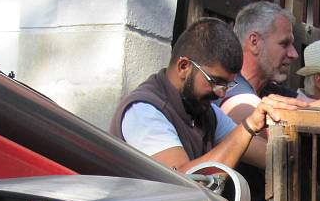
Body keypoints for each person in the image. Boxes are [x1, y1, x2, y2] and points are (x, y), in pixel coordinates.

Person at [109, 17, 303, 173]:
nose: (221, 92)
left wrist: (297, 128)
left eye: (227, 84)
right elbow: (184, 182)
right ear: (184, 67)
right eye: (215, 81)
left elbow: (271, 158)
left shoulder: (204, 110)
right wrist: (249, 125)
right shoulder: (144, 111)